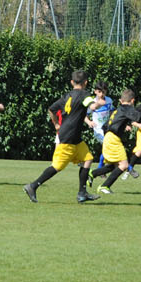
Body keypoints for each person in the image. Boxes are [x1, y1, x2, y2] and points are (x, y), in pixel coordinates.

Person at [24, 69, 99, 204]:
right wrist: (99, 102)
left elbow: (51, 109)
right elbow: (92, 106)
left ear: (72, 82)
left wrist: (56, 124)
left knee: (88, 159)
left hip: (74, 137)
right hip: (69, 137)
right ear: (86, 82)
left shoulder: (67, 95)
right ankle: (33, 186)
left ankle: (82, 193)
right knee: (57, 166)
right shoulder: (85, 94)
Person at [89, 88, 141, 194]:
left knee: (113, 166)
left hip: (109, 137)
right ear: (132, 100)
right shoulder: (125, 109)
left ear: (121, 100)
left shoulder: (117, 110)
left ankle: (93, 173)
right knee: (124, 165)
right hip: (112, 138)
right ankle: (104, 186)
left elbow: (105, 126)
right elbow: (138, 117)